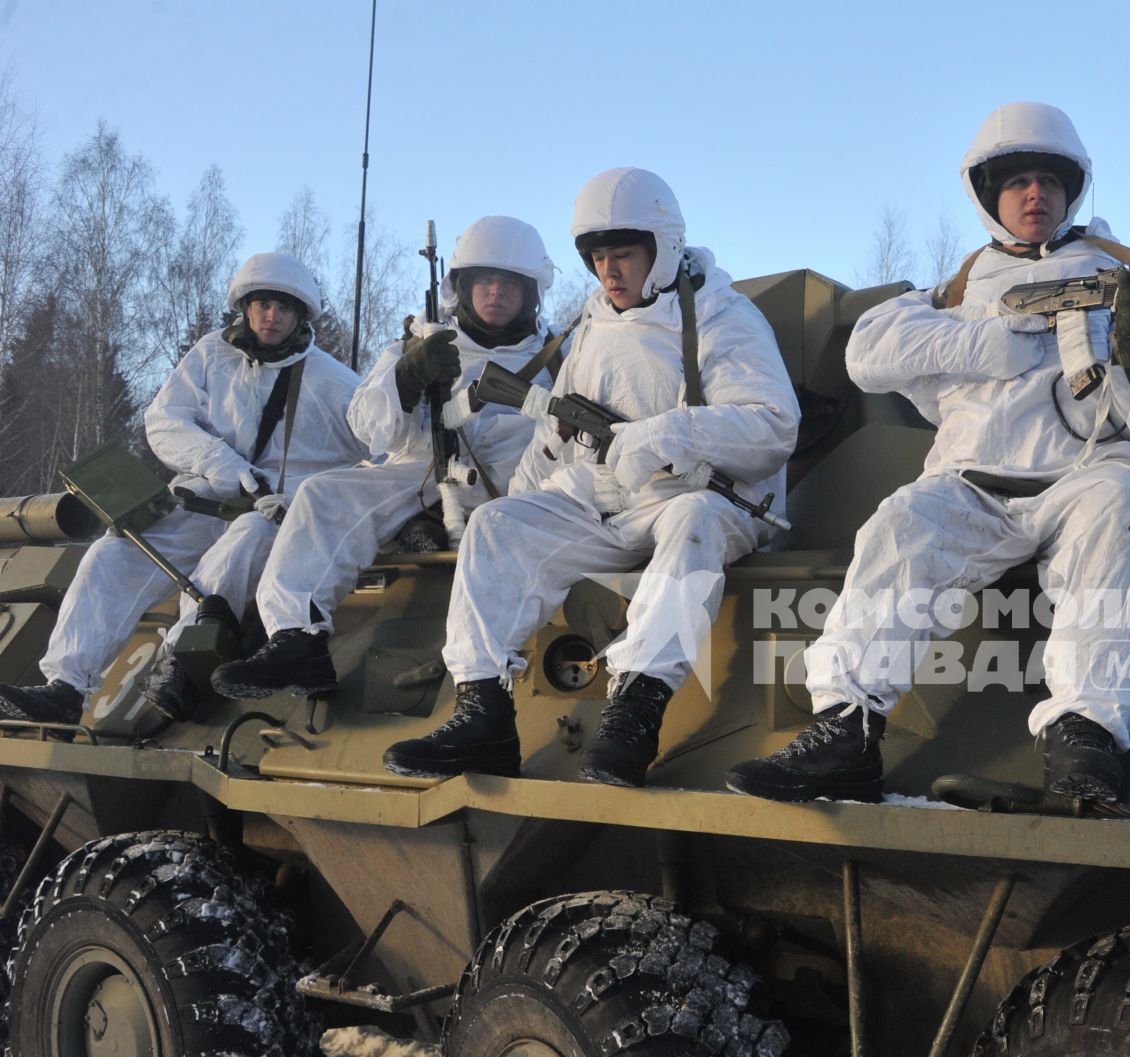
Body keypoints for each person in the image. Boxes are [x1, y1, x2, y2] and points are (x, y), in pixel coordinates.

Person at [725, 100, 1130, 805]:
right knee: (899, 528)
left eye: (1050, 181)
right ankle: (846, 729)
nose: (1036, 195)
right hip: (975, 485)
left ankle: (1086, 739)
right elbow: (868, 353)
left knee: (1124, 510)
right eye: (1018, 182)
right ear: (987, 195)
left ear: (1072, 191)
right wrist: (986, 340)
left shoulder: (1123, 279)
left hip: (1087, 475)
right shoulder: (960, 285)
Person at [381, 167, 799, 786]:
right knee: (495, 526)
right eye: (598, 257)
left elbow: (772, 427)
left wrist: (664, 434)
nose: (609, 271)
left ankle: (634, 711)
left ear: (663, 249)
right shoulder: (594, 322)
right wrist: (519, 506)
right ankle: (484, 714)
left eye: (624, 255)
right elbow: (557, 436)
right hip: (604, 497)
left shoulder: (721, 318)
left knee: (695, 523)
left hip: (700, 494)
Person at [0, 252, 363, 725]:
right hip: (205, 500)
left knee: (239, 548)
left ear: (300, 316)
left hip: (274, 514)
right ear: (246, 307)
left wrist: (305, 496)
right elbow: (164, 421)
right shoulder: (212, 355)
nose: (272, 316)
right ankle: (66, 688)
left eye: (284, 308)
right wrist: (222, 464)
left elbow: (383, 447)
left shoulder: (332, 382)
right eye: (263, 304)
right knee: (111, 557)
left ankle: (180, 665)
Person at [211, 216, 562, 700]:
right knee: (322, 495)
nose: (495, 293)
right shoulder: (420, 339)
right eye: (483, 281)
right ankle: (297, 637)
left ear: (529, 291)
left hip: (515, 486)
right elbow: (369, 426)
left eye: (508, 283)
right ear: (461, 286)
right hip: (420, 469)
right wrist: (407, 378)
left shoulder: (558, 357)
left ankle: (482, 684)